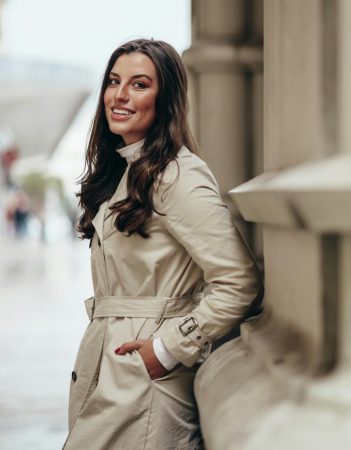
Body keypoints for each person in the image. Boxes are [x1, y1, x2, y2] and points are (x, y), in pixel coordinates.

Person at [62, 39, 262, 450]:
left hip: (148, 382)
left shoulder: (178, 175)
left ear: (165, 97)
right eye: (114, 81)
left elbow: (238, 281)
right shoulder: (124, 171)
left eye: (139, 84)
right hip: (112, 368)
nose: (119, 95)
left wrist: (169, 348)